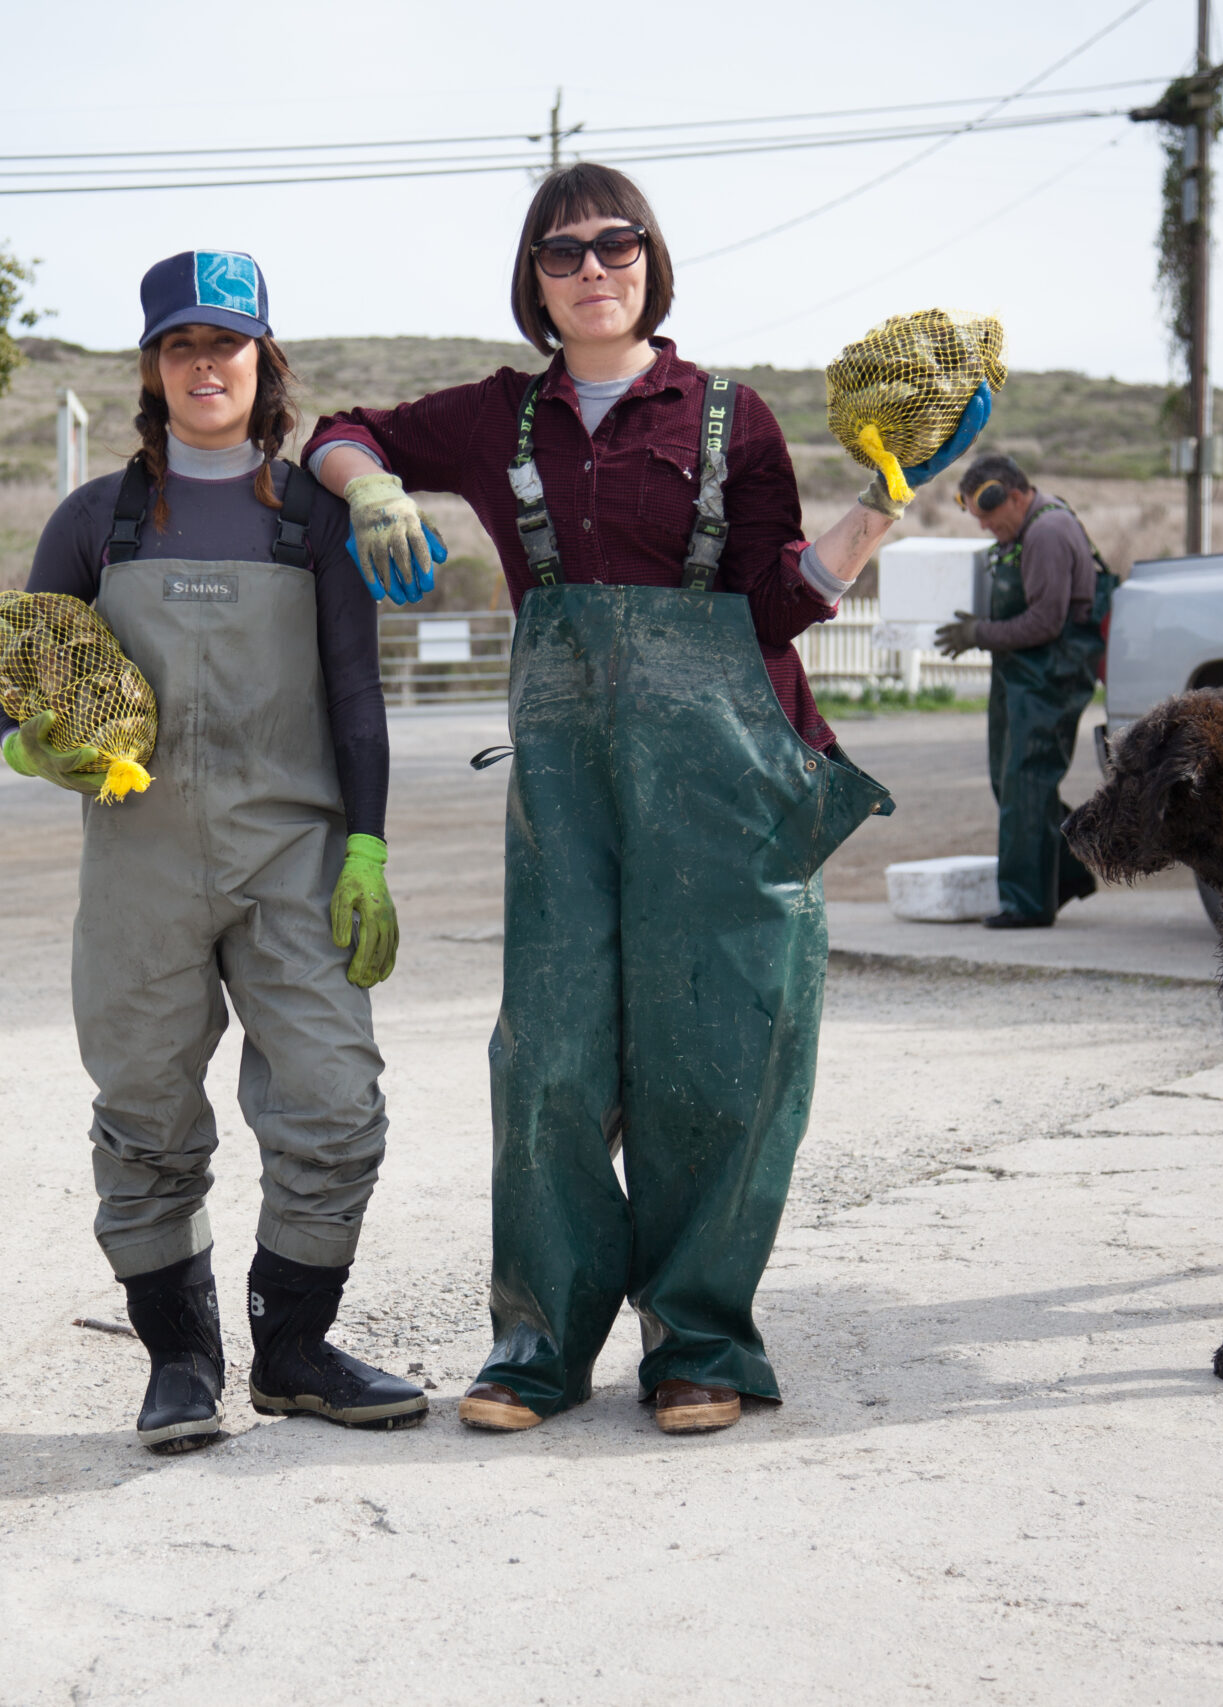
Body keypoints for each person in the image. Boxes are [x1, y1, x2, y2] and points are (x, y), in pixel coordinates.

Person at [306, 164, 987, 1436]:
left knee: (720, 1060)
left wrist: (883, 507)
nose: (592, 270)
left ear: (651, 262)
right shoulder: (498, 419)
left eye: (616, 245)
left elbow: (773, 601)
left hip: (728, 777)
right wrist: (375, 487)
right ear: (535, 281)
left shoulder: (731, 418)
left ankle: (700, 1345)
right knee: (552, 1060)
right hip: (568, 791)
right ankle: (539, 1348)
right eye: (561, 254)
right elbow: (342, 428)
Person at [0, 249, 425, 1453]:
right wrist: (39, 750)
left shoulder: (314, 518)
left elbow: (355, 698)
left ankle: (293, 1351)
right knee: (143, 1110)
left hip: (295, 855)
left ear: (262, 362)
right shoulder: (99, 521)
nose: (205, 365)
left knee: (335, 1103)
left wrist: (369, 851)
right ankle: (179, 1365)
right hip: (138, 860)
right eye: (182, 345)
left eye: (226, 344)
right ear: (152, 366)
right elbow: (18, 690)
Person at [933, 453, 1114, 928]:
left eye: (989, 515)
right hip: (1026, 674)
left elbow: (1045, 621)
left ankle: (1027, 903)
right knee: (1009, 781)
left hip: (1050, 675)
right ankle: (1069, 871)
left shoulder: (1048, 533)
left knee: (1028, 783)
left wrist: (979, 634)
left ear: (1014, 496)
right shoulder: (1027, 529)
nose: (985, 526)